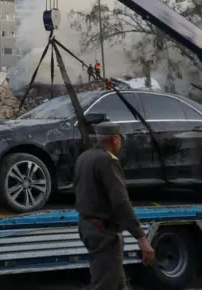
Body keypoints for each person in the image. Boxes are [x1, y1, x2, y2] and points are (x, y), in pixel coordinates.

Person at [73, 121, 155, 289]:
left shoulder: (84, 157)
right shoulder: (107, 160)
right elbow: (120, 201)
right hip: (103, 231)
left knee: (117, 282)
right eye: (120, 139)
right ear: (115, 139)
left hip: (87, 226)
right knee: (106, 284)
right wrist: (141, 237)